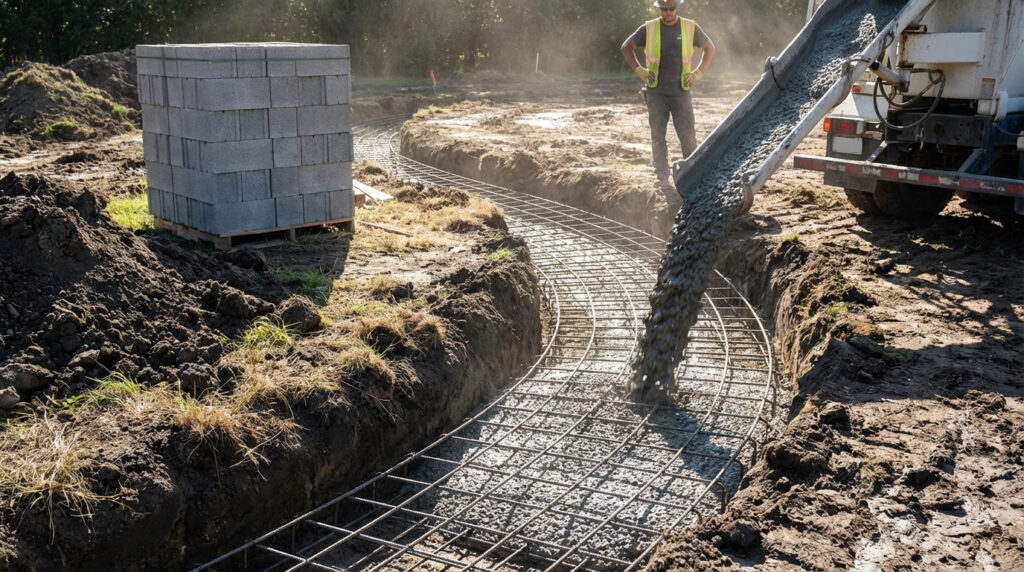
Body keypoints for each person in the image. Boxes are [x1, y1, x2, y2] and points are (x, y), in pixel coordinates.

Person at [621, 0, 715, 196]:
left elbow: (710, 48)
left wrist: (698, 73)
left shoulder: (690, 27)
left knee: (688, 136)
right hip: (656, 92)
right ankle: (661, 176)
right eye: (664, 9)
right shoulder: (649, 28)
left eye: (671, 9)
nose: (667, 13)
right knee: (658, 135)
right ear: (660, 10)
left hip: (681, 91)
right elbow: (626, 47)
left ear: (678, 8)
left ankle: (692, 175)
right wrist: (639, 70)